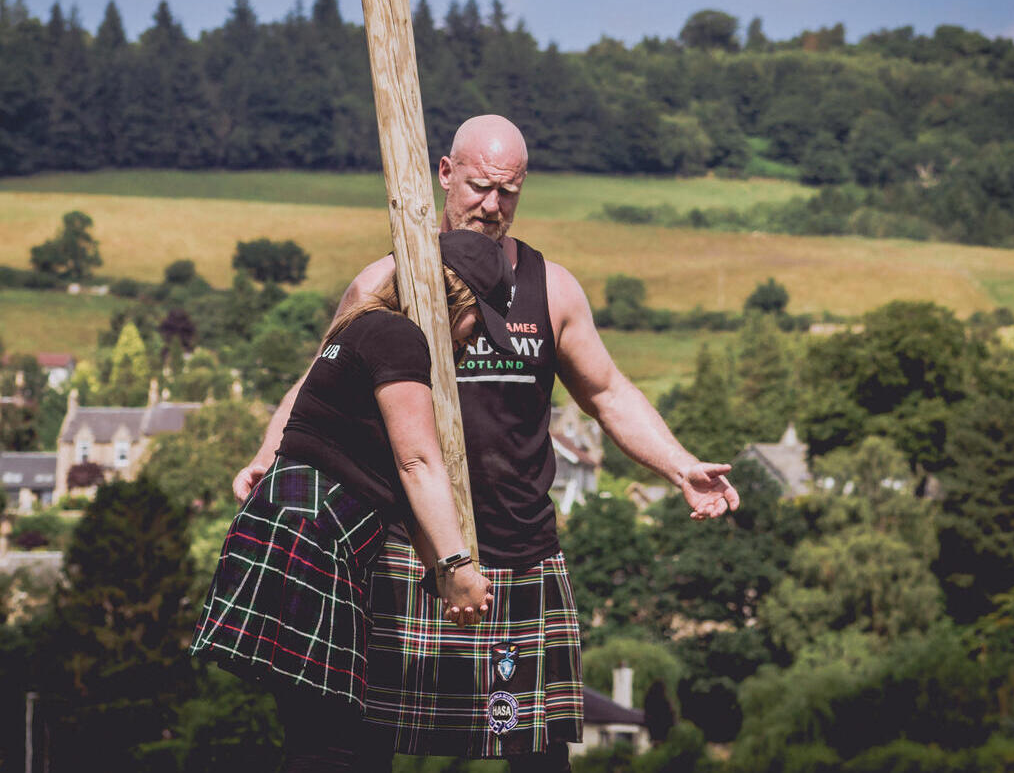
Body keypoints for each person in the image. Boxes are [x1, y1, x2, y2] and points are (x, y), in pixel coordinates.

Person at [233, 115, 741, 772]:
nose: (493, 205)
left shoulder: (550, 288)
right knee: (360, 741)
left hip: (520, 548)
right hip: (407, 549)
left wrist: (680, 466)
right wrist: (267, 456)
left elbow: (608, 391)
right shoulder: (384, 284)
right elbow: (318, 376)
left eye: (509, 191)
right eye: (479, 186)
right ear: (445, 175)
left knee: (538, 752)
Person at [192, 229, 522, 772]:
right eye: (477, 321)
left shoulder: (363, 325)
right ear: (453, 298)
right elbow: (418, 464)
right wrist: (458, 564)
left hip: (297, 526)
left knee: (324, 739)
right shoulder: (398, 337)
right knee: (333, 744)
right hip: (315, 538)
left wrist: (440, 571)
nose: (475, 339)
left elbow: (392, 476)